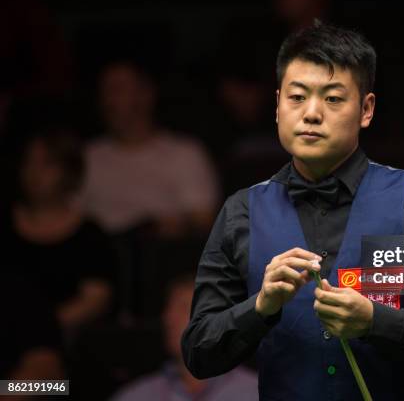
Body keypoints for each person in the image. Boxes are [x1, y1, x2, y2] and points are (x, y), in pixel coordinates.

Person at [182, 21, 404, 400]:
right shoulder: (241, 213)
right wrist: (260, 308)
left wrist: (377, 322)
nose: (311, 113)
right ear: (278, 106)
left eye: (332, 98)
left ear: (366, 109)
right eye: (297, 97)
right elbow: (199, 351)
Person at [81, 61, 220, 237]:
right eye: (105, 90)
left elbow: (203, 222)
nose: (108, 99)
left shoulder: (184, 154)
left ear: (146, 94)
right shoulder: (86, 157)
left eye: (117, 89)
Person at [0, 131, 114, 334]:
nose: (34, 172)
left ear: (68, 171)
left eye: (47, 164)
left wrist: (38, 327)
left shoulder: (89, 234)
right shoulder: (4, 224)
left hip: (64, 338)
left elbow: (95, 300)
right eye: (28, 162)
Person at [111, 273, 258, 401]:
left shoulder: (255, 394)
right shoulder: (138, 395)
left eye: (183, 308)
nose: (168, 318)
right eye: (168, 309)